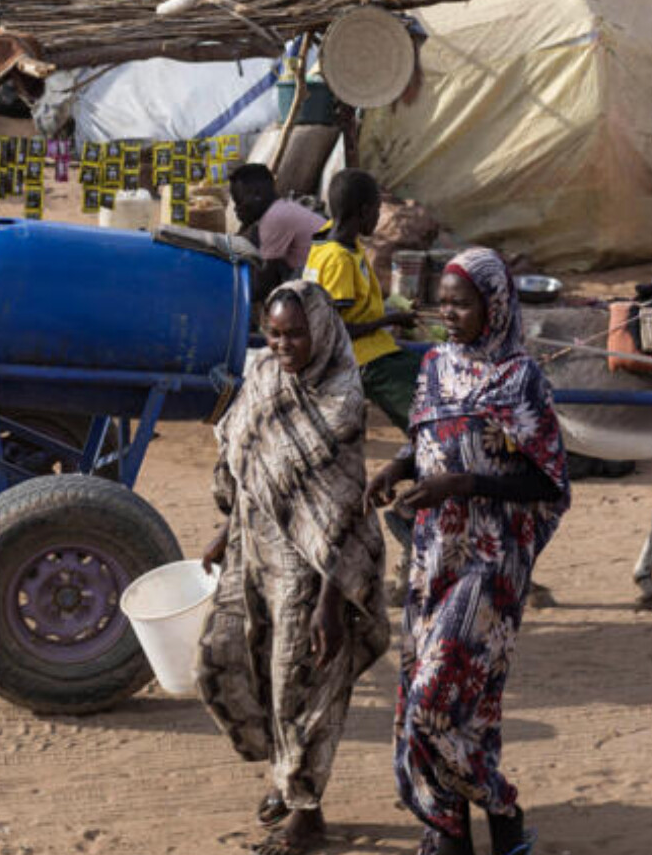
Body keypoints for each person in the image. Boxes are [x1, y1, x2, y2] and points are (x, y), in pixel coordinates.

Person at [369, 248, 569, 855]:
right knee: (463, 705)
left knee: (432, 703)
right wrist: (397, 466)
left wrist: (465, 484)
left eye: (463, 303)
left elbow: (549, 481)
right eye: (445, 302)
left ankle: (502, 804)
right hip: (434, 555)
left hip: (491, 562)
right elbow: (428, 439)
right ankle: (460, 831)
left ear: (495, 305)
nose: (448, 313)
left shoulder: (521, 379)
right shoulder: (432, 365)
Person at [197, 283, 389, 855]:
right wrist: (226, 531)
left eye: (295, 334)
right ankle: (284, 773)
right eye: (274, 333)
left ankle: (306, 812)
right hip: (253, 550)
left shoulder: (341, 401)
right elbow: (249, 457)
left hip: (312, 570)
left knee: (298, 685)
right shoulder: (263, 375)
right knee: (221, 662)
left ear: (322, 333)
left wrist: (332, 601)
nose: (282, 344)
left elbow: (344, 506)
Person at [304, 169, 418, 427]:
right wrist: (390, 318)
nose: (379, 218)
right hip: (360, 358)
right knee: (422, 407)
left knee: (428, 367)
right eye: (378, 211)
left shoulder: (333, 238)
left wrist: (390, 311)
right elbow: (336, 330)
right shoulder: (339, 260)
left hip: (374, 348)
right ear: (365, 211)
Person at [230, 164, 326, 309]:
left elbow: (262, 285)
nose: (236, 209)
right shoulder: (280, 209)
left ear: (257, 195)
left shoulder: (274, 219)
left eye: (239, 201)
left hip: (323, 288)